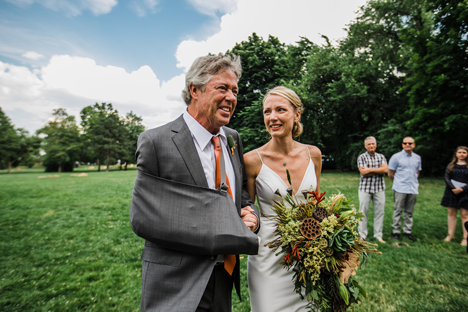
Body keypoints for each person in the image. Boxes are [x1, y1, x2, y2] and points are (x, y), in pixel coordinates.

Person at [130, 54, 260, 312]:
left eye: (234, 90)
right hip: (176, 283)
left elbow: (241, 193)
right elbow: (143, 218)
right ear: (194, 90)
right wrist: (220, 232)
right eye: (222, 88)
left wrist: (249, 215)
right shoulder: (156, 142)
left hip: (224, 276)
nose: (232, 98)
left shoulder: (233, 139)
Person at [244, 86, 322, 312]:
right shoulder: (251, 160)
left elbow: (317, 206)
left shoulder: (313, 154)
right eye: (267, 112)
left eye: (280, 110)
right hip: (268, 257)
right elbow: (248, 210)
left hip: (309, 255)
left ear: (297, 114)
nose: (273, 117)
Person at [388, 137, 422, 241]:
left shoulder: (417, 158)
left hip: (412, 188)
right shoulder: (396, 157)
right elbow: (390, 173)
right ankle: (396, 231)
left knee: (409, 211)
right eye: (405, 143)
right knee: (398, 210)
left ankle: (407, 231)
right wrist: (397, 182)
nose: (408, 144)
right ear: (402, 145)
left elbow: (418, 172)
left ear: (414, 145)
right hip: (400, 188)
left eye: (410, 143)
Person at [357, 136, 388, 244]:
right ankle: (362, 235)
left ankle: (378, 235)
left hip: (379, 189)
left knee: (380, 212)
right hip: (365, 189)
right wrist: (379, 170)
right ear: (365, 146)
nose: (371, 146)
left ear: (376, 145)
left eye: (373, 144)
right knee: (362, 212)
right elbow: (363, 172)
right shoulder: (361, 157)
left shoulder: (381, 157)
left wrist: (370, 169)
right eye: (369, 144)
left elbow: (386, 170)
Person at [440, 146, 468, 246]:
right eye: (459, 152)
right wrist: (453, 188)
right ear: (456, 154)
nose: (461, 154)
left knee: (465, 214)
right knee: (451, 213)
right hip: (451, 191)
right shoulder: (451, 165)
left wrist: (462, 189)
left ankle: (465, 238)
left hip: (465, 192)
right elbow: (446, 177)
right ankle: (450, 235)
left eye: (464, 152)